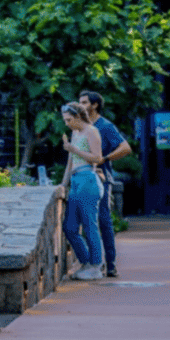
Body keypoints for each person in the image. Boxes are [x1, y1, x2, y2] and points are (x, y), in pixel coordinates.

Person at [78, 89, 131, 279]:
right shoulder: (80, 125)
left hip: (101, 179)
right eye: (80, 102)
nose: (81, 105)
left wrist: (105, 158)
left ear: (94, 105)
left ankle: (111, 264)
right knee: (86, 222)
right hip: (82, 179)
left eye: (84, 102)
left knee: (104, 220)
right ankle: (94, 263)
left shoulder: (105, 126)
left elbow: (125, 147)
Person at [59, 101, 105, 280]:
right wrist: (63, 184)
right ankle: (86, 261)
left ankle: (95, 266)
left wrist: (74, 149)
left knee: (89, 224)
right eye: (65, 120)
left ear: (78, 116)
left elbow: (97, 158)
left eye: (69, 119)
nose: (67, 123)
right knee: (69, 227)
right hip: (76, 180)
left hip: (88, 179)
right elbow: (71, 160)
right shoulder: (75, 132)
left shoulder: (92, 132)